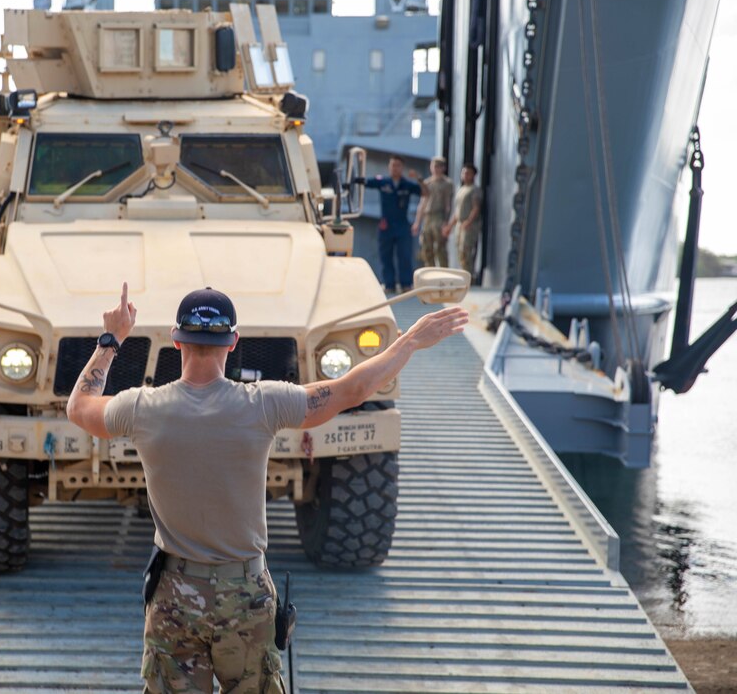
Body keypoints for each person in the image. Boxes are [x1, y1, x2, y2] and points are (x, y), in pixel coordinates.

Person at [66, 283, 468, 693]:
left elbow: (79, 407)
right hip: (246, 596)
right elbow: (353, 390)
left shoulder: (141, 408)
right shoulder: (263, 404)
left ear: (175, 340)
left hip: (174, 595)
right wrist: (411, 340)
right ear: (233, 342)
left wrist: (111, 339)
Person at [353, 155, 426, 293]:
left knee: (404, 255)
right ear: (389, 166)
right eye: (392, 165)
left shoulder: (407, 184)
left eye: (398, 165)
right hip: (386, 225)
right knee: (385, 256)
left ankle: (406, 284)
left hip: (402, 225)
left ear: (402, 167)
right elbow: (367, 182)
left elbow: (425, 192)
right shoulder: (383, 182)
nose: (395, 168)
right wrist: (353, 179)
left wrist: (418, 177)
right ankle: (389, 284)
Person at [413, 156, 453, 268]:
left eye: (439, 166)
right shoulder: (427, 183)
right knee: (426, 247)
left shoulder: (447, 183)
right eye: (434, 166)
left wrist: (446, 221)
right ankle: (430, 271)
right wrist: (417, 222)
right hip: (427, 217)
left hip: (439, 216)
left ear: (443, 168)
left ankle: (444, 272)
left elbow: (448, 204)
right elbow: (422, 204)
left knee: (440, 247)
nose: (436, 169)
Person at [445, 163, 482, 280]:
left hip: (469, 225)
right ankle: (465, 275)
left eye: (468, 173)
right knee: (460, 251)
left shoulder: (474, 190)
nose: (465, 175)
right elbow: (457, 211)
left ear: (473, 175)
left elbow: (476, 208)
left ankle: (469, 276)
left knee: (466, 250)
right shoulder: (461, 189)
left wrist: (468, 221)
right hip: (460, 224)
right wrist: (450, 226)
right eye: (463, 173)